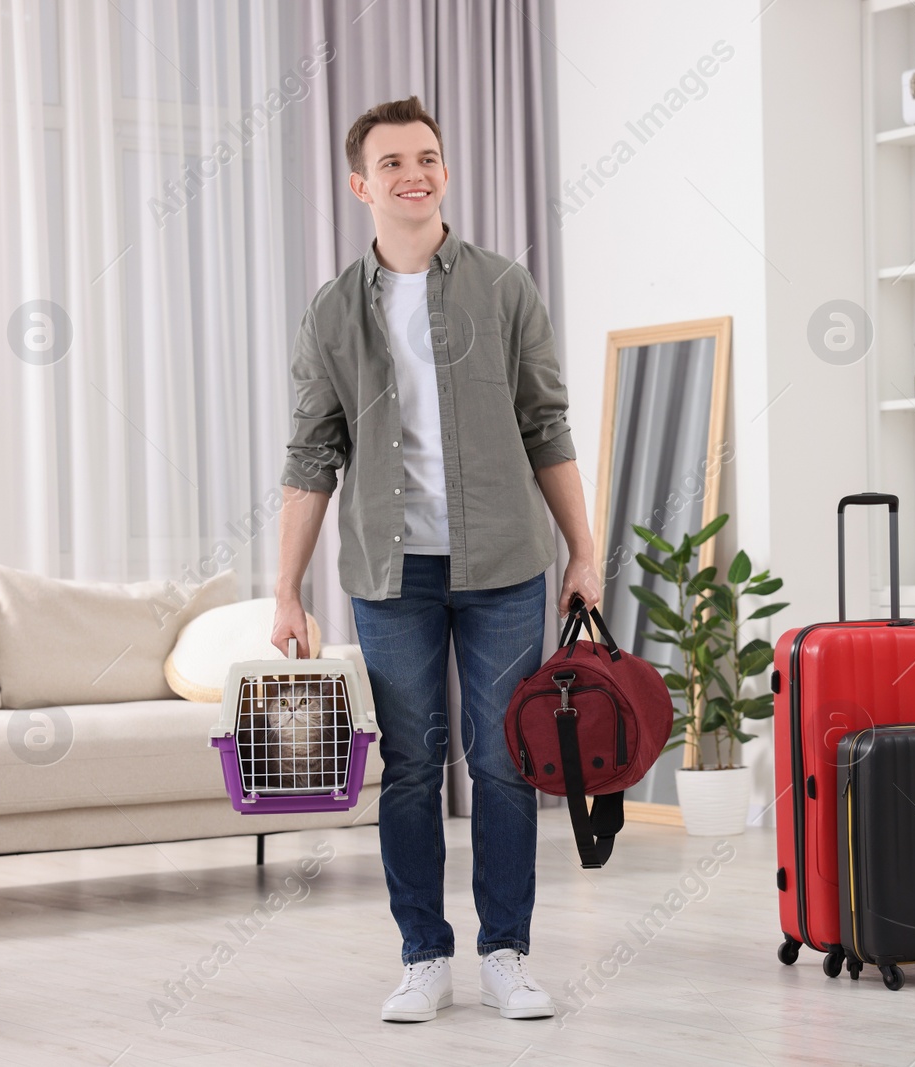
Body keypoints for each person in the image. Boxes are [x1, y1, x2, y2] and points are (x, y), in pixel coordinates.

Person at [271, 95, 600, 1023]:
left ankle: (506, 951)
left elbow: (548, 425)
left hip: (503, 563)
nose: (414, 173)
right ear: (360, 184)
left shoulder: (503, 287)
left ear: (444, 171)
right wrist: (285, 589)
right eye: (393, 163)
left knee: (501, 761)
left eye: (428, 157)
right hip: (391, 573)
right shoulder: (333, 313)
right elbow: (310, 457)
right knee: (412, 766)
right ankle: (424, 952)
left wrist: (583, 550)